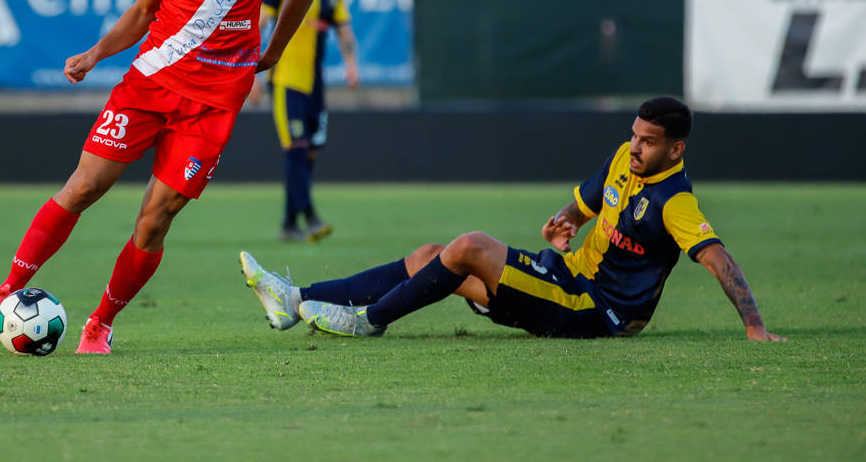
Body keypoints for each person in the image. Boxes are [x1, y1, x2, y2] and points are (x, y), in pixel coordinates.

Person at [0, 0, 316, 354]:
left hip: (214, 105)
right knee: (83, 187)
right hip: (148, 85)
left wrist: (277, 48)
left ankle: (100, 323)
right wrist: (95, 53)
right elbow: (144, 12)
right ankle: (6, 290)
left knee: (155, 221)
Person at [240, 97, 787, 341]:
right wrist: (564, 221)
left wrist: (755, 327)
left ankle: (368, 320)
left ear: (676, 148)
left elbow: (717, 257)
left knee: (470, 245)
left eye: (649, 142)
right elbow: (584, 204)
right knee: (430, 257)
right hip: (568, 279)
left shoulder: (676, 200)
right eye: (634, 135)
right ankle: (294, 299)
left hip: (595, 312)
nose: (636, 147)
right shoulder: (624, 159)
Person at [254, 0, 359, 242]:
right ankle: (310, 217)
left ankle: (289, 223)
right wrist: (253, 75)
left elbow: (344, 30)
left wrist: (351, 64)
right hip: (285, 81)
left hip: (316, 86)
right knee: (296, 150)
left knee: (308, 153)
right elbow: (258, 24)